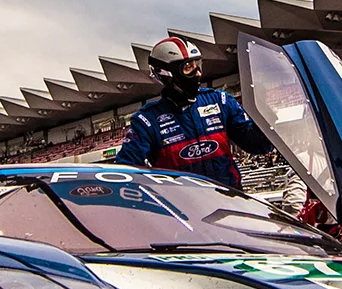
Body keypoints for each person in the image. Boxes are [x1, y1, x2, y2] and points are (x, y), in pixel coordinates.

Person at [111, 35, 275, 195]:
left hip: (231, 200)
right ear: (167, 73)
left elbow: (257, 145)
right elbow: (127, 170)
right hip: (186, 210)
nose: (197, 73)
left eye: (198, 65)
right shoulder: (147, 120)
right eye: (188, 67)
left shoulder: (221, 101)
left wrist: (266, 116)